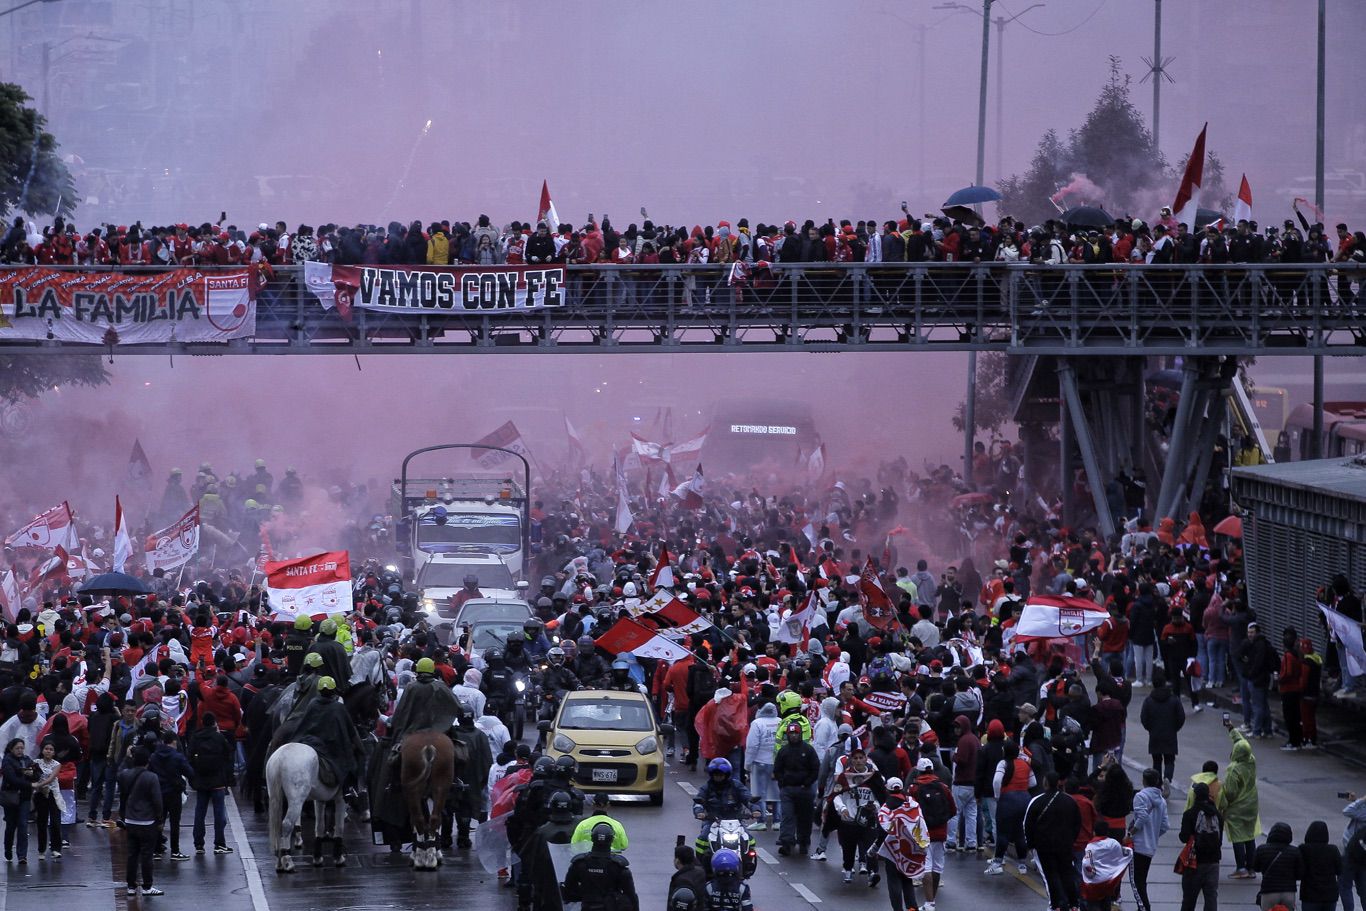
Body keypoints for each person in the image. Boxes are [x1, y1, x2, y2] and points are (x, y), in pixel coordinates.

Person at [1026, 772, 1082, 911]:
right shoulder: (1069, 801)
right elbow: (1077, 823)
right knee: (1067, 872)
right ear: (1059, 783)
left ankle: (1057, 904)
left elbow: (1029, 824)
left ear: (1045, 783)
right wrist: (1071, 839)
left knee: (1051, 874)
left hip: (1044, 845)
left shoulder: (1038, 801)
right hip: (1065, 844)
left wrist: (1032, 844)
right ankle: (1074, 904)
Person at [832, 746, 885, 883]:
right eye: (855, 758)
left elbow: (881, 797)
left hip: (868, 819)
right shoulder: (845, 777)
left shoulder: (874, 777)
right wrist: (842, 808)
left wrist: (875, 807)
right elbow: (836, 795)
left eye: (861, 758)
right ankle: (848, 870)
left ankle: (872, 873)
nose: (858, 761)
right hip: (849, 819)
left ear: (866, 759)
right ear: (851, 761)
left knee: (870, 847)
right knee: (848, 848)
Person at [876, 775, 930, 911]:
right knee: (907, 880)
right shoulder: (912, 803)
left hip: (893, 849)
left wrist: (875, 849)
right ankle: (912, 908)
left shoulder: (886, 807)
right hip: (911, 848)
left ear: (887, 790)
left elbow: (884, 829)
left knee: (893, 880)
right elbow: (920, 822)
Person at [118, 745, 165, 897]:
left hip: (130, 820)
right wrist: (160, 819)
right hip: (147, 821)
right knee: (146, 855)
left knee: (132, 854)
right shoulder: (151, 777)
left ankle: (131, 886)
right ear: (148, 761)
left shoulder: (125, 774)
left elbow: (118, 774)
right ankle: (147, 886)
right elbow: (157, 801)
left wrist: (126, 757)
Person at [1219, 719, 1262, 879]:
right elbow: (1242, 742)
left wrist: (1222, 804)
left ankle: (1241, 867)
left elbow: (1229, 792)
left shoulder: (1234, 770)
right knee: (1249, 836)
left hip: (1237, 806)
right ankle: (1251, 869)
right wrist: (1231, 728)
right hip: (1252, 804)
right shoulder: (1251, 760)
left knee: (1238, 836)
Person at [561, 821, 639, 911]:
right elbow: (631, 897)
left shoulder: (579, 863)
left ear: (592, 838)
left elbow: (568, 892)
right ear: (612, 840)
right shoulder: (618, 866)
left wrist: (587, 894)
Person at [187, 711, 235, 855]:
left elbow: (189, 757)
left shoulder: (196, 737)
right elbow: (229, 753)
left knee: (200, 812)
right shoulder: (218, 737)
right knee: (219, 813)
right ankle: (219, 843)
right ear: (214, 723)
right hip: (217, 780)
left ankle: (199, 844)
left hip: (201, 781)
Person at [911, 758, 956, 908]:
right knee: (937, 868)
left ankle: (929, 903)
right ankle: (932, 901)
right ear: (932, 770)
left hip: (922, 834)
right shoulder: (943, 787)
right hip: (941, 833)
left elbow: (910, 813)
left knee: (926, 867)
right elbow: (953, 809)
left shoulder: (914, 789)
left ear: (919, 771)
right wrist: (941, 821)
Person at [772, 719, 819, 856]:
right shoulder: (783, 751)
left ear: (800, 734)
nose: (793, 736)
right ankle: (787, 843)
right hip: (788, 790)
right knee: (787, 816)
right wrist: (782, 783)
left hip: (805, 790)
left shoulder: (808, 750)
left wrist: (808, 782)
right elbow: (777, 769)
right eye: (791, 733)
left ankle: (803, 842)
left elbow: (815, 768)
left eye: (796, 733)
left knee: (805, 817)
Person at [1129, 768, 1170, 911]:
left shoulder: (1140, 796)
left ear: (1144, 781)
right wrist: (1153, 834)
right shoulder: (1162, 800)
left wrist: (1131, 833)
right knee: (1142, 879)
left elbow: (1142, 817)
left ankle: (1144, 907)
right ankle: (1142, 907)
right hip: (1150, 846)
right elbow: (1165, 825)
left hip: (1138, 845)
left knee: (1135, 880)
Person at [148, 729, 193, 859]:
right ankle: (175, 850)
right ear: (174, 742)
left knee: (158, 820)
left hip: (158, 792)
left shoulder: (154, 756)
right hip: (174, 791)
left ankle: (156, 849)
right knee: (175, 822)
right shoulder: (177, 757)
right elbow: (189, 772)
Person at [1180, 782, 1223, 911]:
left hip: (1194, 862)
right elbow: (1219, 839)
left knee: (1189, 898)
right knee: (1211, 897)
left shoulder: (1190, 814)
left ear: (1195, 796)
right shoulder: (1217, 814)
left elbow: (1184, 837)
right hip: (1214, 861)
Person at [1140, 668, 1186, 787]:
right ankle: (1168, 778)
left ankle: (1158, 783)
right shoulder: (1173, 699)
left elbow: (1144, 718)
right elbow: (1181, 717)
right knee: (1170, 760)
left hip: (1155, 734)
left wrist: (1150, 728)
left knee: (1156, 761)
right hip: (1170, 733)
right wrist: (1174, 728)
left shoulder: (1149, 700)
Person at [1082, 820, 1133, 911]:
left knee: (1093, 904)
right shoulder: (1113, 843)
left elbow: (1086, 864)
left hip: (1095, 883)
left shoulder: (1090, 846)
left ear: (1094, 832)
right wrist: (1129, 844)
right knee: (1106, 901)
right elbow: (1123, 854)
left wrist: (1091, 875)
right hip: (1109, 880)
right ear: (1107, 832)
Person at [1254, 823, 1305, 911]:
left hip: (1268, 890)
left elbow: (1256, 868)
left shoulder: (1261, 849)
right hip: (1288, 891)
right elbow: (1300, 874)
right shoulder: (1295, 851)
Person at [2, 737, 37, 863]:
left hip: (24, 797)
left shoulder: (27, 760)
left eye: (22, 748)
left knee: (23, 824)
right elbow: (11, 778)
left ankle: (22, 855)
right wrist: (27, 782)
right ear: (11, 748)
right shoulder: (7, 761)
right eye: (17, 748)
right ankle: (8, 848)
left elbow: (38, 772)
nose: (20, 750)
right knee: (11, 825)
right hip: (11, 797)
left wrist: (32, 774)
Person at [1298, 820, 1342, 911]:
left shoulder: (1304, 849)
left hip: (1310, 894)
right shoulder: (1333, 849)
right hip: (1330, 895)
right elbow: (1340, 870)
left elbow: (1299, 871)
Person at [31, 740, 62, 859]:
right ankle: (41, 850)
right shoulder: (36, 762)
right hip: (40, 795)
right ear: (42, 750)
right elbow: (32, 776)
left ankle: (56, 848)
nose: (48, 751)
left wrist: (37, 785)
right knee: (41, 822)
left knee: (55, 822)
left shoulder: (57, 764)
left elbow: (51, 778)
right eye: (46, 749)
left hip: (53, 794)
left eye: (51, 749)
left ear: (54, 752)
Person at [1343, 792, 1366, 911]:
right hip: (1363, 853)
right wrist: (1356, 800)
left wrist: (1360, 800)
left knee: (1345, 885)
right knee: (1363, 887)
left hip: (1352, 852)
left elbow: (1346, 811)